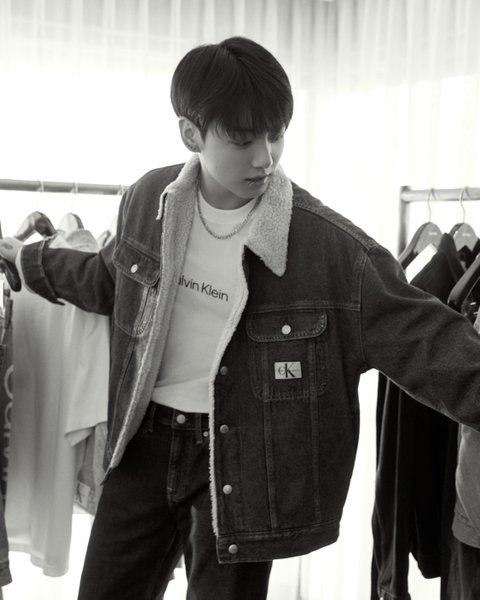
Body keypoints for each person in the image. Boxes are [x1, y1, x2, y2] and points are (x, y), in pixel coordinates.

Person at [2, 36, 480, 600]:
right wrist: (27, 260)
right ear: (191, 134)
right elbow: (110, 280)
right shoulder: (149, 200)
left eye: (276, 134)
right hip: (144, 447)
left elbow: (429, 344)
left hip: (245, 460)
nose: (265, 158)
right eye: (243, 139)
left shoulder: (331, 250)